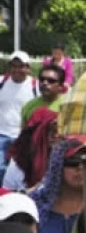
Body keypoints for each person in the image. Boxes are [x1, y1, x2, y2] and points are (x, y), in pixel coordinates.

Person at [0, 51, 39, 179]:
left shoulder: (36, 86)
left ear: (28, 68)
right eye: (14, 66)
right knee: (1, 169)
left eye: (21, 66)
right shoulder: (2, 82)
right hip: (2, 135)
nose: (17, 70)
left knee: (22, 170)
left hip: (24, 136)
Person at [3, 107, 57, 192]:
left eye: (58, 131)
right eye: (50, 131)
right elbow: (7, 197)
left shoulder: (66, 161)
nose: (56, 136)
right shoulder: (18, 164)